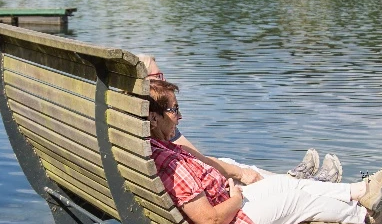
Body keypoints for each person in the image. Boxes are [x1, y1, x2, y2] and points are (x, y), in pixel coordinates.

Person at [149, 80, 382, 224]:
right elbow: (210, 220)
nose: (180, 116)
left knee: (286, 184)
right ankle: (364, 216)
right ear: (153, 118)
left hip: (221, 210)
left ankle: (361, 190)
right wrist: (236, 200)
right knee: (297, 200)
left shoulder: (156, 148)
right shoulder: (171, 165)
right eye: (173, 110)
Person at [137, 55, 341, 185]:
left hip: (181, 184)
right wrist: (240, 174)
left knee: (231, 165)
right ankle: (307, 185)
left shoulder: (134, 120)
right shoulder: (156, 121)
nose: (163, 82)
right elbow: (200, 160)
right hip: (206, 192)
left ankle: (292, 179)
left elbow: (195, 156)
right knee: (237, 169)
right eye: (157, 78)